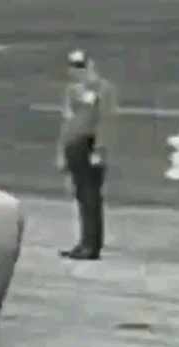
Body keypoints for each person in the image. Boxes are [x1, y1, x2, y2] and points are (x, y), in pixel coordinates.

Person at [56, 50, 118, 261]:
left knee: (91, 197)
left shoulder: (103, 89)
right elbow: (67, 122)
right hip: (74, 145)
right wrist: (62, 152)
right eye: (74, 67)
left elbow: (106, 120)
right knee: (82, 197)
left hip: (90, 145)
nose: (78, 71)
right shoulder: (72, 90)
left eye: (82, 66)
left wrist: (100, 149)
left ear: (91, 65)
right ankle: (84, 242)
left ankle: (92, 245)